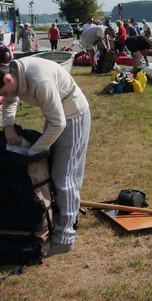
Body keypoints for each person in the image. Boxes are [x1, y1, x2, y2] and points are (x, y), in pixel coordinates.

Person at [0, 57, 91, 257]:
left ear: (9, 79)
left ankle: (65, 239)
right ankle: (56, 220)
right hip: (56, 117)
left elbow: (59, 124)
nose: (4, 96)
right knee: (52, 171)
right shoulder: (11, 72)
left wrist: (33, 154)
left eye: (3, 92)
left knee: (64, 178)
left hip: (73, 117)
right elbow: (9, 100)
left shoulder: (40, 80)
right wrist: (8, 125)